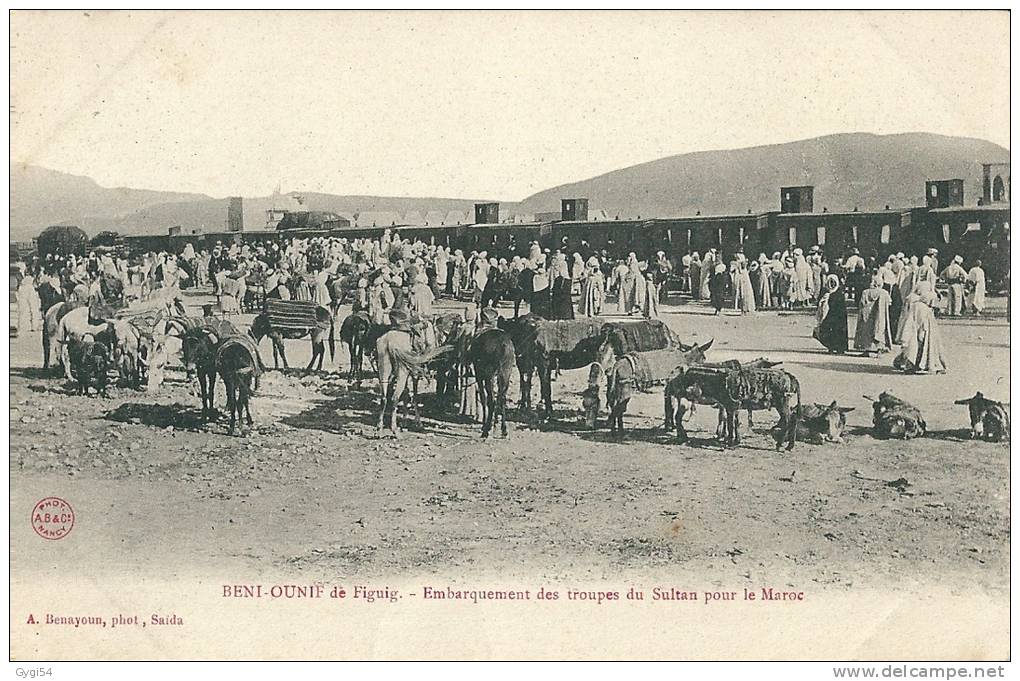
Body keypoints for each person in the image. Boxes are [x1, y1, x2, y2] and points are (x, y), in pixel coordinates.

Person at [894, 280, 948, 374]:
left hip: (911, 327)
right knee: (922, 347)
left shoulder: (912, 301)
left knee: (911, 348)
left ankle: (908, 363)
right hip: (921, 328)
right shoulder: (923, 308)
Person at [854, 274, 893, 355]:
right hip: (879, 315)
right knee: (879, 329)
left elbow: (861, 303)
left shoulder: (865, 292)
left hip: (867, 315)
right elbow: (889, 302)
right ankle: (879, 348)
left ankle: (867, 348)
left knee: (867, 330)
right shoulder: (884, 293)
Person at [814, 274, 848, 353]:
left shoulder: (834, 294)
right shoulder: (837, 294)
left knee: (835, 331)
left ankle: (836, 347)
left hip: (835, 317)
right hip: (834, 317)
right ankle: (834, 347)